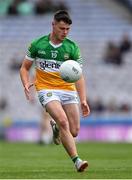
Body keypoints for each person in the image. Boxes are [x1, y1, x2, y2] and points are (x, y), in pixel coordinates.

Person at [20, 10, 90, 172]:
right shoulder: (38, 44)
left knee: (74, 131)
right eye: (61, 28)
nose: (65, 32)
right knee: (63, 120)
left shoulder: (72, 48)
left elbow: (79, 76)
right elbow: (24, 68)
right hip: (46, 89)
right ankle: (77, 161)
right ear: (53, 25)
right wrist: (25, 83)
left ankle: (56, 128)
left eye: (67, 29)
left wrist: (84, 99)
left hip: (67, 89)